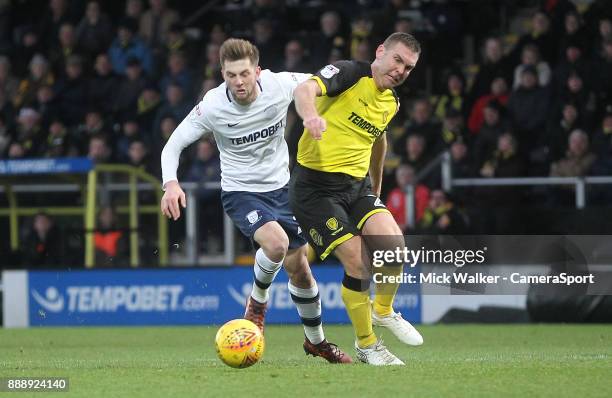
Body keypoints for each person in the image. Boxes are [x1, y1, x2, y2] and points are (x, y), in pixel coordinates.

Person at [160, 38, 350, 363]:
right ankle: (257, 303)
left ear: (257, 71)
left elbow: (322, 83)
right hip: (241, 193)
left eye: (244, 74)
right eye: (231, 75)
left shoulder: (279, 84)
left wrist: (357, 85)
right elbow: (173, 145)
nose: (238, 82)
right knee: (276, 245)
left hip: (283, 190)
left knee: (300, 269)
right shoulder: (212, 106)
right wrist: (171, 184)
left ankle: (316, 342)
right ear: (222, 74)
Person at [290, 32, 424, 366]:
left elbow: (379, 142)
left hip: (357, 186)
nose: (401, 71)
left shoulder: (390, 102)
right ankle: (367, 345)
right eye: (397, 60)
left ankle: (383, 311)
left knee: (394, 246)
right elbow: (304, 89)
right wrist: (310, 116)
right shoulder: (349, 73)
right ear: (381, 51)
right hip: (315, 190)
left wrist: (375, 190)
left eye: (408, 68)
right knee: (359, 263)